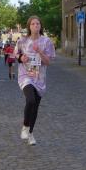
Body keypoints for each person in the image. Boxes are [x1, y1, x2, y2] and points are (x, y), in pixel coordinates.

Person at [16, 16, 56, 146]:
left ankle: (30, 134)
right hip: (25, 75)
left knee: (35, 107)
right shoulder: (22, 41)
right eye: (33, 24)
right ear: (29, 26)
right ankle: (25, 126)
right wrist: (21, 58)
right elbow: (16, 54)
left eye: (38, 23)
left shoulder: (46, 42)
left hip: (39, 77)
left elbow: (48, 62)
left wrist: (39, 51)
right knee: (30, 100)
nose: (35, 26)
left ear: (41, 26)